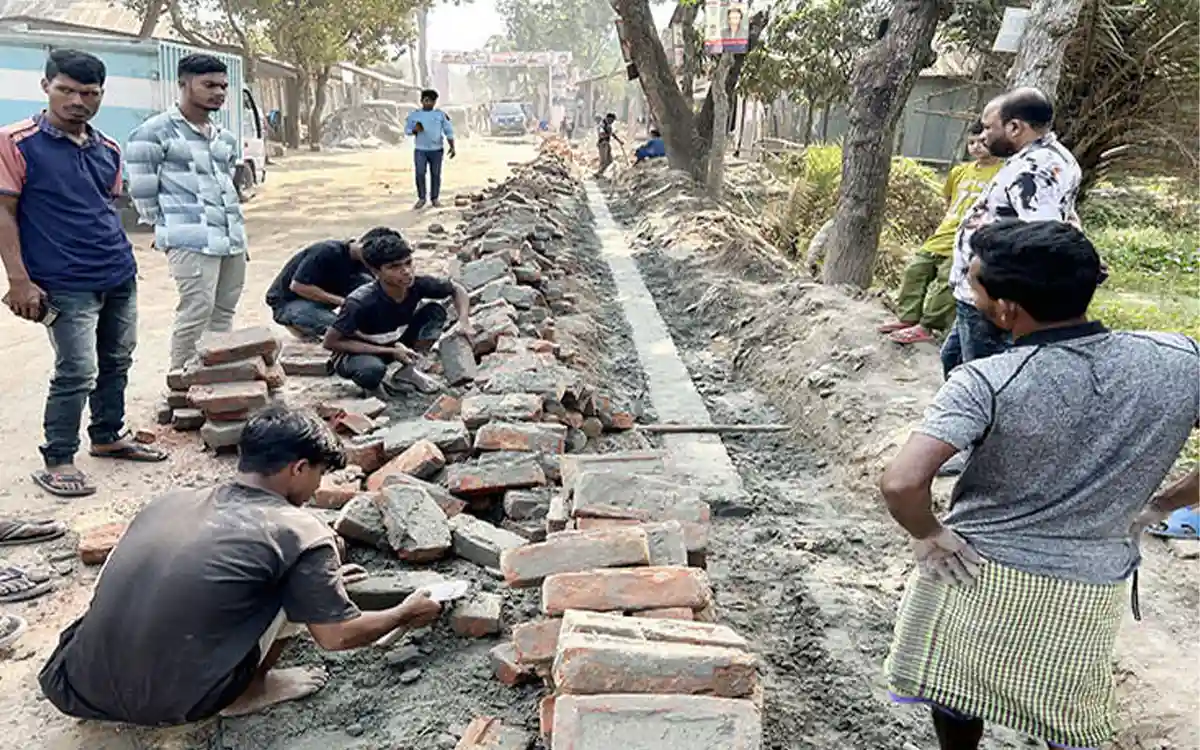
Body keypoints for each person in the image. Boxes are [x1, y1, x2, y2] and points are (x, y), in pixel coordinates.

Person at [880, 220, 1199, 750]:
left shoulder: (987, 381)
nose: (969, 290)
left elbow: (900, 483)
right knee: (1068, 713)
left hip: (977, 572)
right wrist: (1161, 504)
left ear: (1007, 309)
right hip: (1088, 583)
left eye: (974, 283)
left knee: (956, 685)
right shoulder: (1180, 361)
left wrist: (930, 532)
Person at [39, 405, 445, 726]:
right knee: (286, 592)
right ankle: (251, 691)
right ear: (298, 468)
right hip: (174, 704)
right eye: (319, 474)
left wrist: (324, 583)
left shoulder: (171, 501)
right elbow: (336, 637)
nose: (319, 486)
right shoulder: (299, 530)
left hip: (73, 685)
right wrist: (404, 613)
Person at [0, 49, 168, 498]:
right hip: (62, 281)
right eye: (66, 90)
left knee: (117, 360)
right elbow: (4, 211)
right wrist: (18, 280)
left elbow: (105, 210)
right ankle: (58, 458)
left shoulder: (107, 148)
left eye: (89, 93)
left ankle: (108, 436)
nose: (78, 100)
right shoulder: (15, 142)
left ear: (100, 95)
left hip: (117, 273)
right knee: (77, 369)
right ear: (46, 87)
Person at [944, 88, 1081, 372]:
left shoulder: (1036, 169)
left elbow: (1040, 238)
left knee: (982, 378)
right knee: (953, 360)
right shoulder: (1040, 158)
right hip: (978, 294)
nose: (982, 136)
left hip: (993, 295)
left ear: (1015, 127)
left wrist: (1004, 302)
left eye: (988, 128)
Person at [127, 53, 248, 374]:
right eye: (209, 85)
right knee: (195, 312)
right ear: (182, 84)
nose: (219, 92)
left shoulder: (224, 137)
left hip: (232, 239)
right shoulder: (153, 133)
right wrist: (173, 231)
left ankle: (213, 379)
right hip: (191, 242)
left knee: (223, 313)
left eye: (223, 86)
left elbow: (228, 187)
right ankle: (180, 384)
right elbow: (143, 195)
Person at [879, 122, 1001, 346]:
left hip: (969, 240)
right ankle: (907, 318)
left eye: (982, 142)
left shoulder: (1002, 172)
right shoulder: (959, 171)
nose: (976, 147)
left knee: (946, 281)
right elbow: (949, 200)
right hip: (943, 233)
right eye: (971, 143)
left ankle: (928, 326)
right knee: (916, 268)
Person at [323, 232, 471, 395]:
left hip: (393, 342)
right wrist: (391, 352)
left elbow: (457, 289)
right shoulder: (360, 302)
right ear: (375, 271)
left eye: (408, 263)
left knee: (434, 312)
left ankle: (409, 369)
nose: (406, 271)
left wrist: (464, 322)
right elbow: (330, 343)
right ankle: (373, 386)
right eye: (395, 267)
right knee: (372, 371)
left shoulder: (417, 285)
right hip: (357, 352)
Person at [265, 227, 399, 340]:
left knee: (371, 289)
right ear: (362, 245)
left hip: (323, 300)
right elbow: (298, 286)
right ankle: (301, 327)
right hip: (289, 302)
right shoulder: (327, 251)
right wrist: (344, 302)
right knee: (342, 329)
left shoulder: (364, 263)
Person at [404, 89, 456, 209]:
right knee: (420, 173)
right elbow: (407, 131)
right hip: (420, 150)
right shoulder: (415, 115)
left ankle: (435, 198)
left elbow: (448, 131)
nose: (428, 103)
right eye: (426, 100)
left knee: (436, 174)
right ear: (421, 101)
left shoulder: (440, 115)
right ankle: (422, 198)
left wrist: (452, 147)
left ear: (435, 102)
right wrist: (414, 130)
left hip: (437, 150)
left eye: (431, 101)